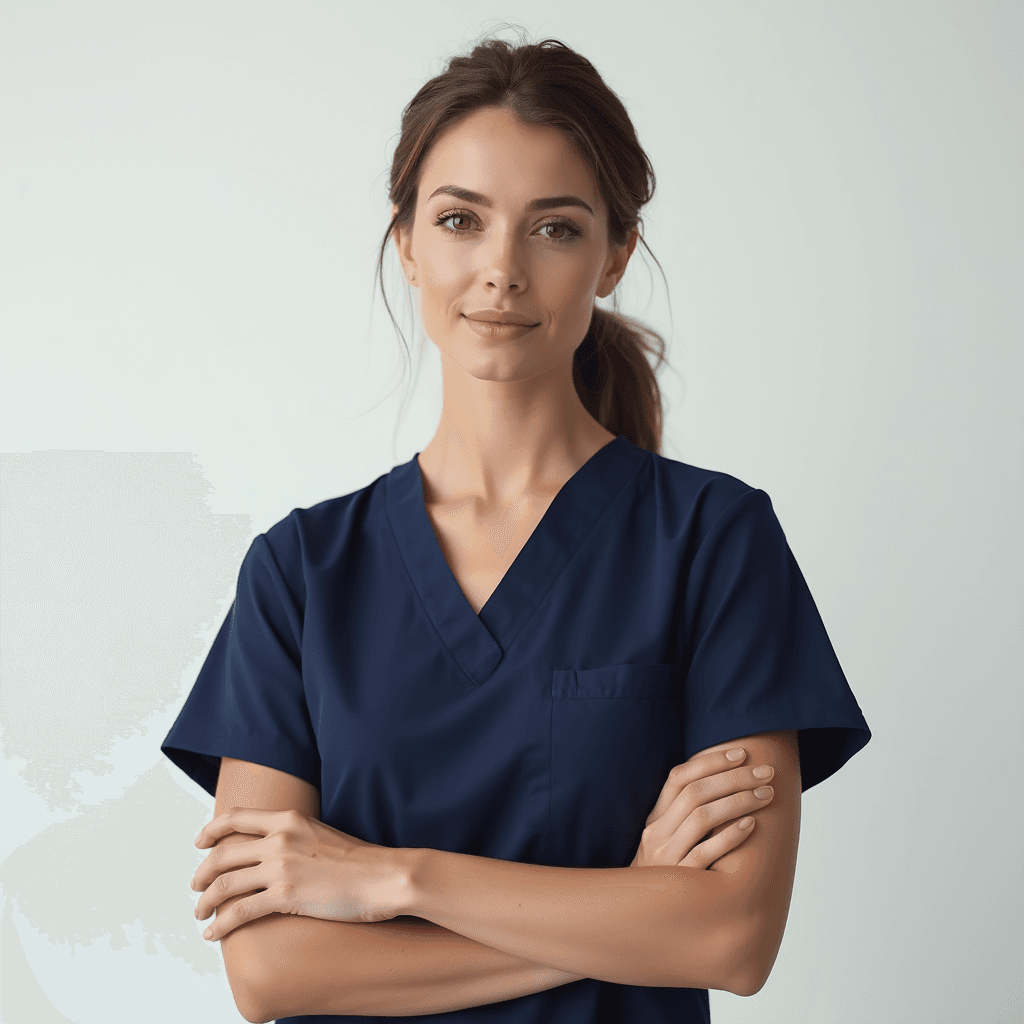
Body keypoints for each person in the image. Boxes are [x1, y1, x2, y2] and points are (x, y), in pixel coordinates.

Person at [162, 29, 871, 1024]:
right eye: (460, 220)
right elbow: (272, 972)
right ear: (406, 242)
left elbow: (730, 938)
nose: (501, 270)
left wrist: (388, 880)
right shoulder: (302, 573)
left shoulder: (713, 543)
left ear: (613, 254)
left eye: (554, 228)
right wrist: (624, 905)